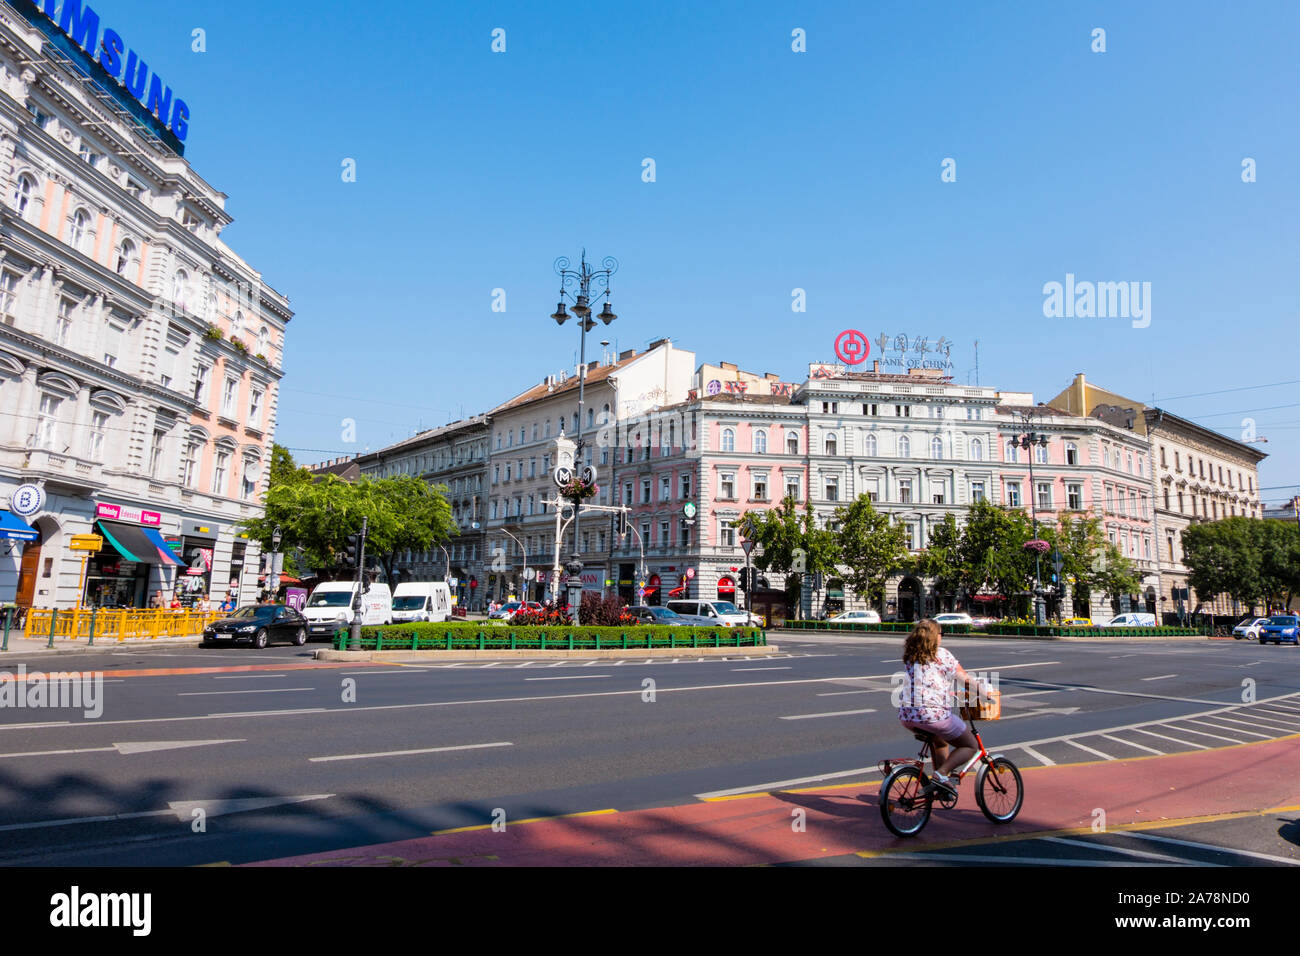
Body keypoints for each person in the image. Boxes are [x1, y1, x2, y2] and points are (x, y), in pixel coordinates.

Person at [896, 618, 988, 800]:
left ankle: (942, 787)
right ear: (935, 637)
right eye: (941, 634)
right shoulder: (943, 655)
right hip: (933, 715)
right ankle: (942, 773)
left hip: (907, 716)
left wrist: (947, 692)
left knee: (940, 741)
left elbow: (928, 682)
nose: (942, 637)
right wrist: (984, 692)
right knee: (971, 745)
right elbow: (965, 679)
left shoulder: (912, 656)